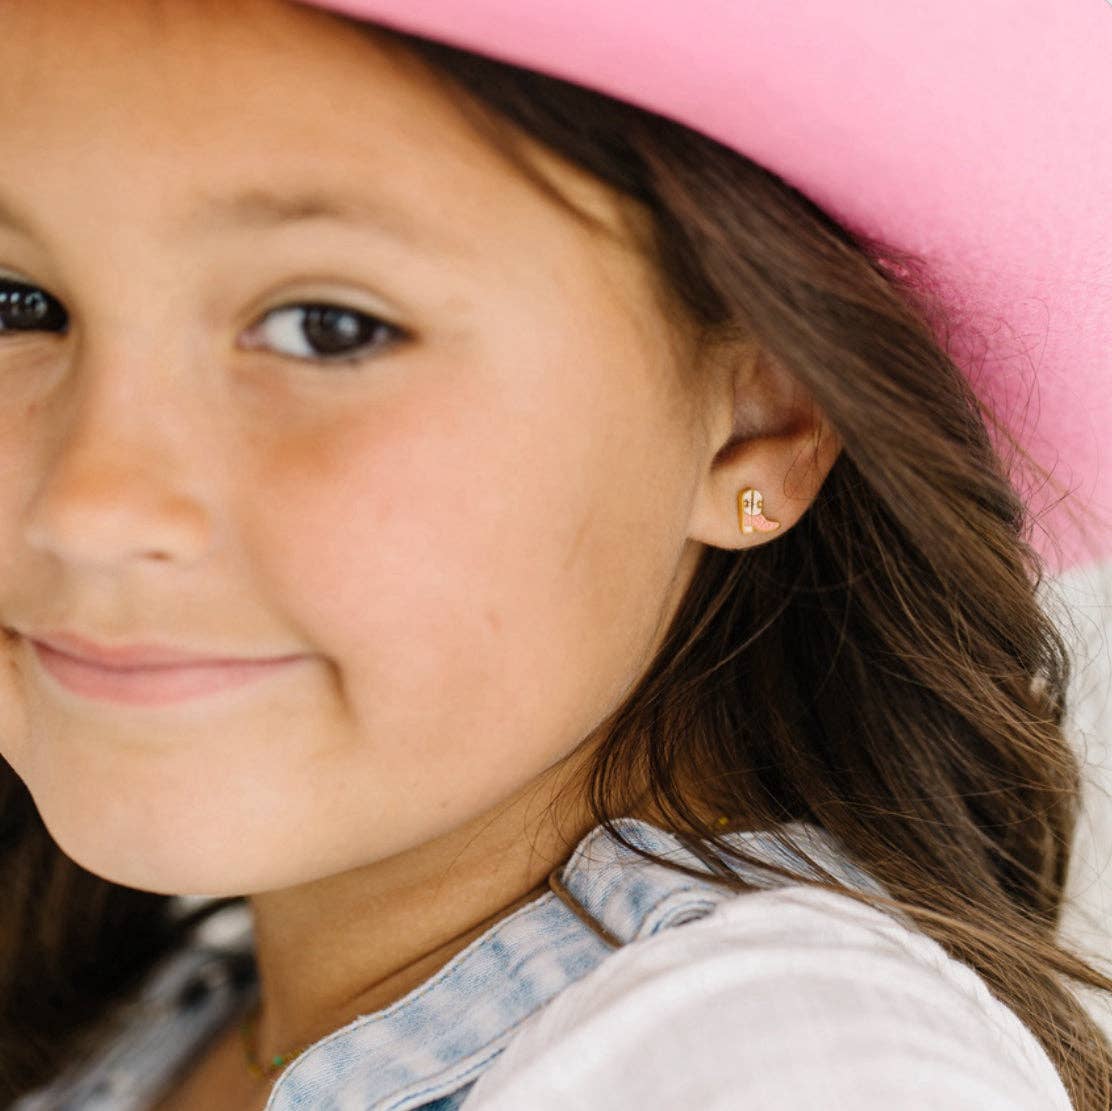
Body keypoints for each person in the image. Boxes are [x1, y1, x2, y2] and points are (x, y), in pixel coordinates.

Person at [0, 1, 1109, 1108]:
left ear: (756, 418)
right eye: (17, 303)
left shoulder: (770, 1066)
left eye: (326, 326)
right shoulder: (180, 1018)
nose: (88, 506)